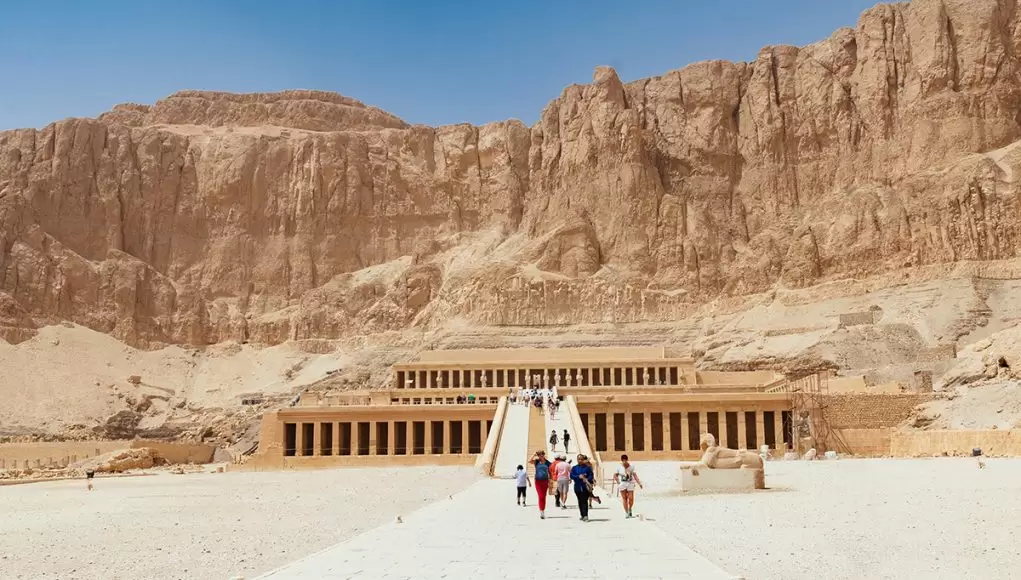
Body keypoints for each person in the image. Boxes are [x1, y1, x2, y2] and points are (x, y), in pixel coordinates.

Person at [570, 454, 595, 522]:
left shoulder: (587, 468)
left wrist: (586, 478)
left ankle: (586, 515)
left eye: (581, 459)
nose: (580, 460)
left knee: (584, 501)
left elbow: (591, 476)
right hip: (577, 487)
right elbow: (571, 476)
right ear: (577, 460)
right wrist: (578, 476)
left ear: (583, 460)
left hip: (585, 487)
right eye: (579, 459)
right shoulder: (574, 468)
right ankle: (582, 515)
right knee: (580, 501)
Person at [528, 450, 552, 519]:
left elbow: (550, 472)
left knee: (543, 496)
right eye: (538, 455)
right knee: (540, 496)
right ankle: (541, 511)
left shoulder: (548, 463)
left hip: (545, 481)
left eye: (541, 455)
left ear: (544, 455)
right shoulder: (537, 461)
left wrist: (551, 480)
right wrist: (534, 454)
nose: (540, 456)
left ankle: (542, 511)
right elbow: (529, 461)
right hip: (538, 481)